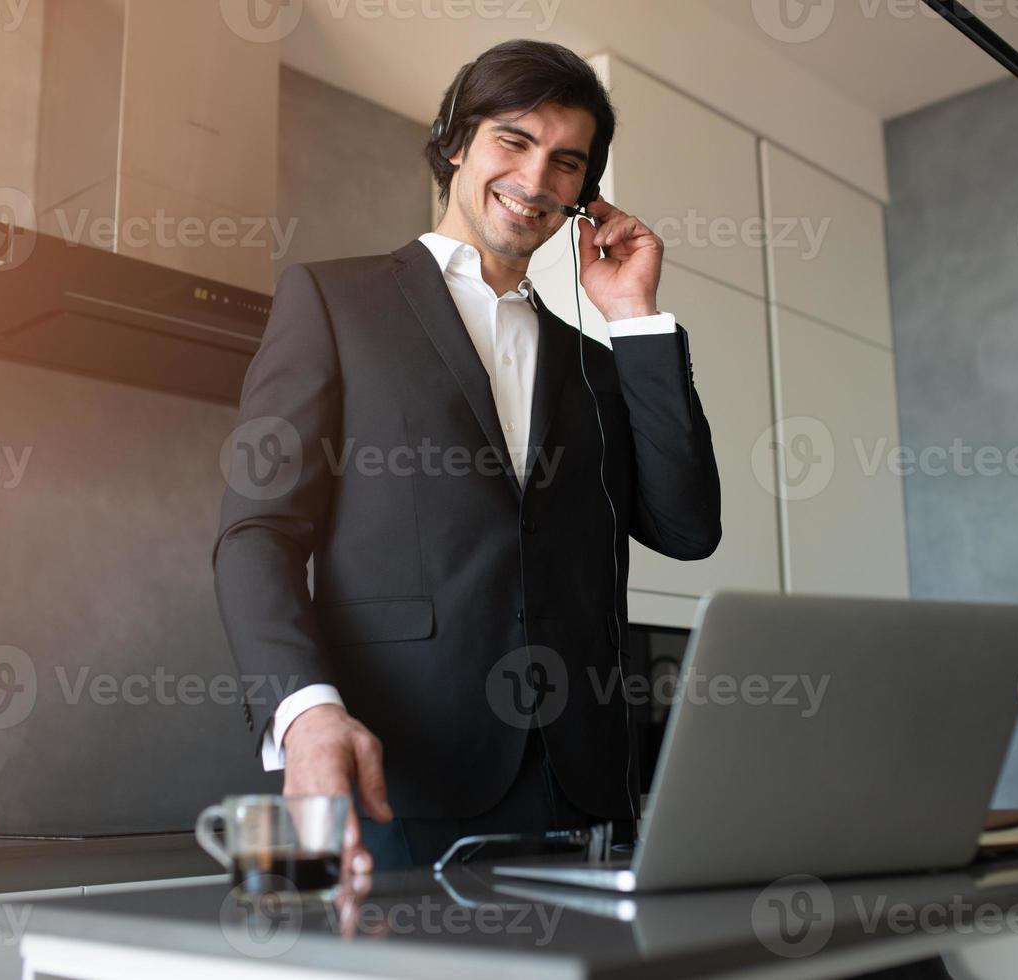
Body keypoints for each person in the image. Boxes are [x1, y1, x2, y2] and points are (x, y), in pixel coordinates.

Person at [212, 39, 721, 873]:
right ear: (456, 142)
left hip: (586, 788)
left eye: (566, 164)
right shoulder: (333, 303)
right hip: (401, 773)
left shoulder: (600, 362)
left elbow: (687, 527)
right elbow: (257, 532)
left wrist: (634, 318)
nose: (534, 181)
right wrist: (304, 713)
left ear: (583, 195)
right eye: (512, 142)